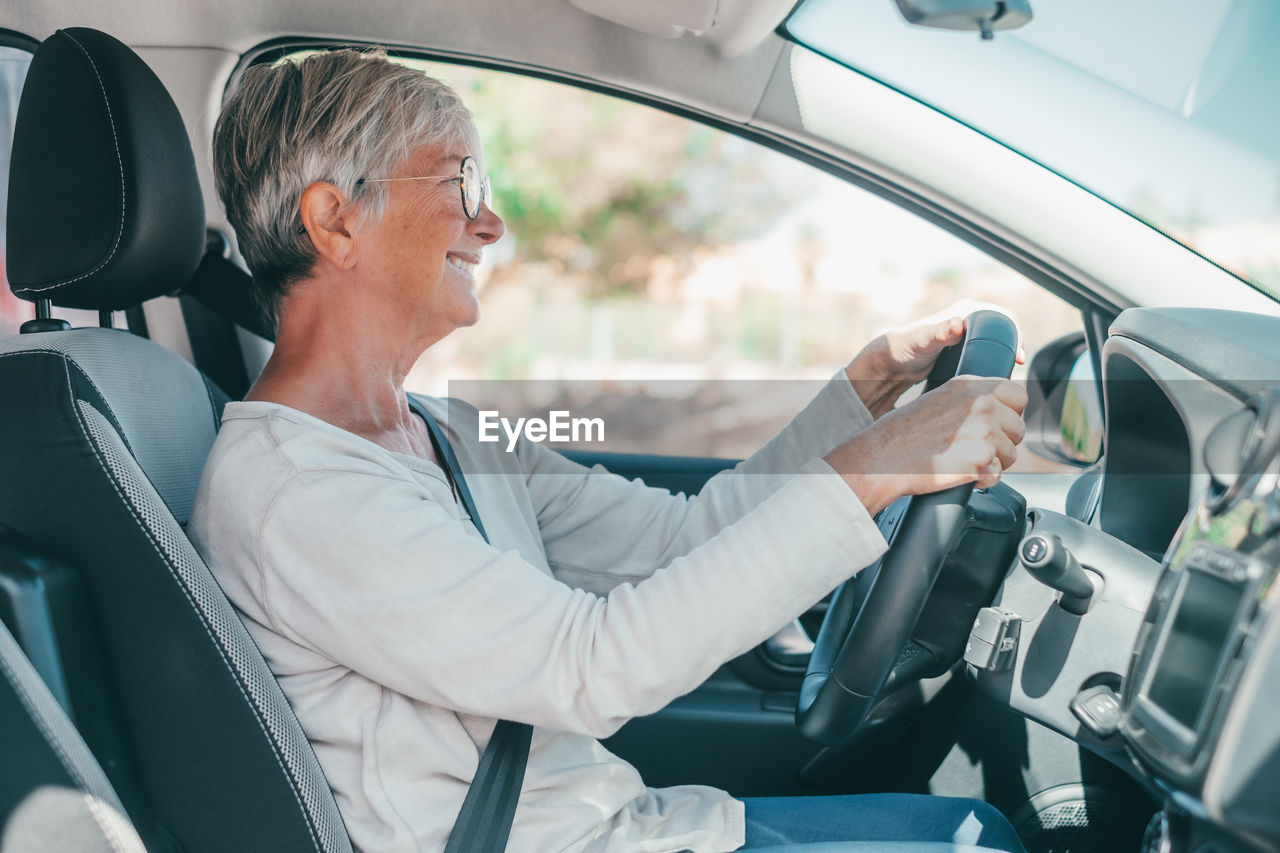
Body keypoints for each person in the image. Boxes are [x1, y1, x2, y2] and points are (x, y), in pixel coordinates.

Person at [190, 49, 1029, 853]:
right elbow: (590, 667)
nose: (491, 223)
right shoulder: (299, 493)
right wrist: (881, 464)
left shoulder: (450, 432)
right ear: (335, 219)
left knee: (981, 833)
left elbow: (678, 538)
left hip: (632, 825)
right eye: (460, 182)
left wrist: (863, 395)